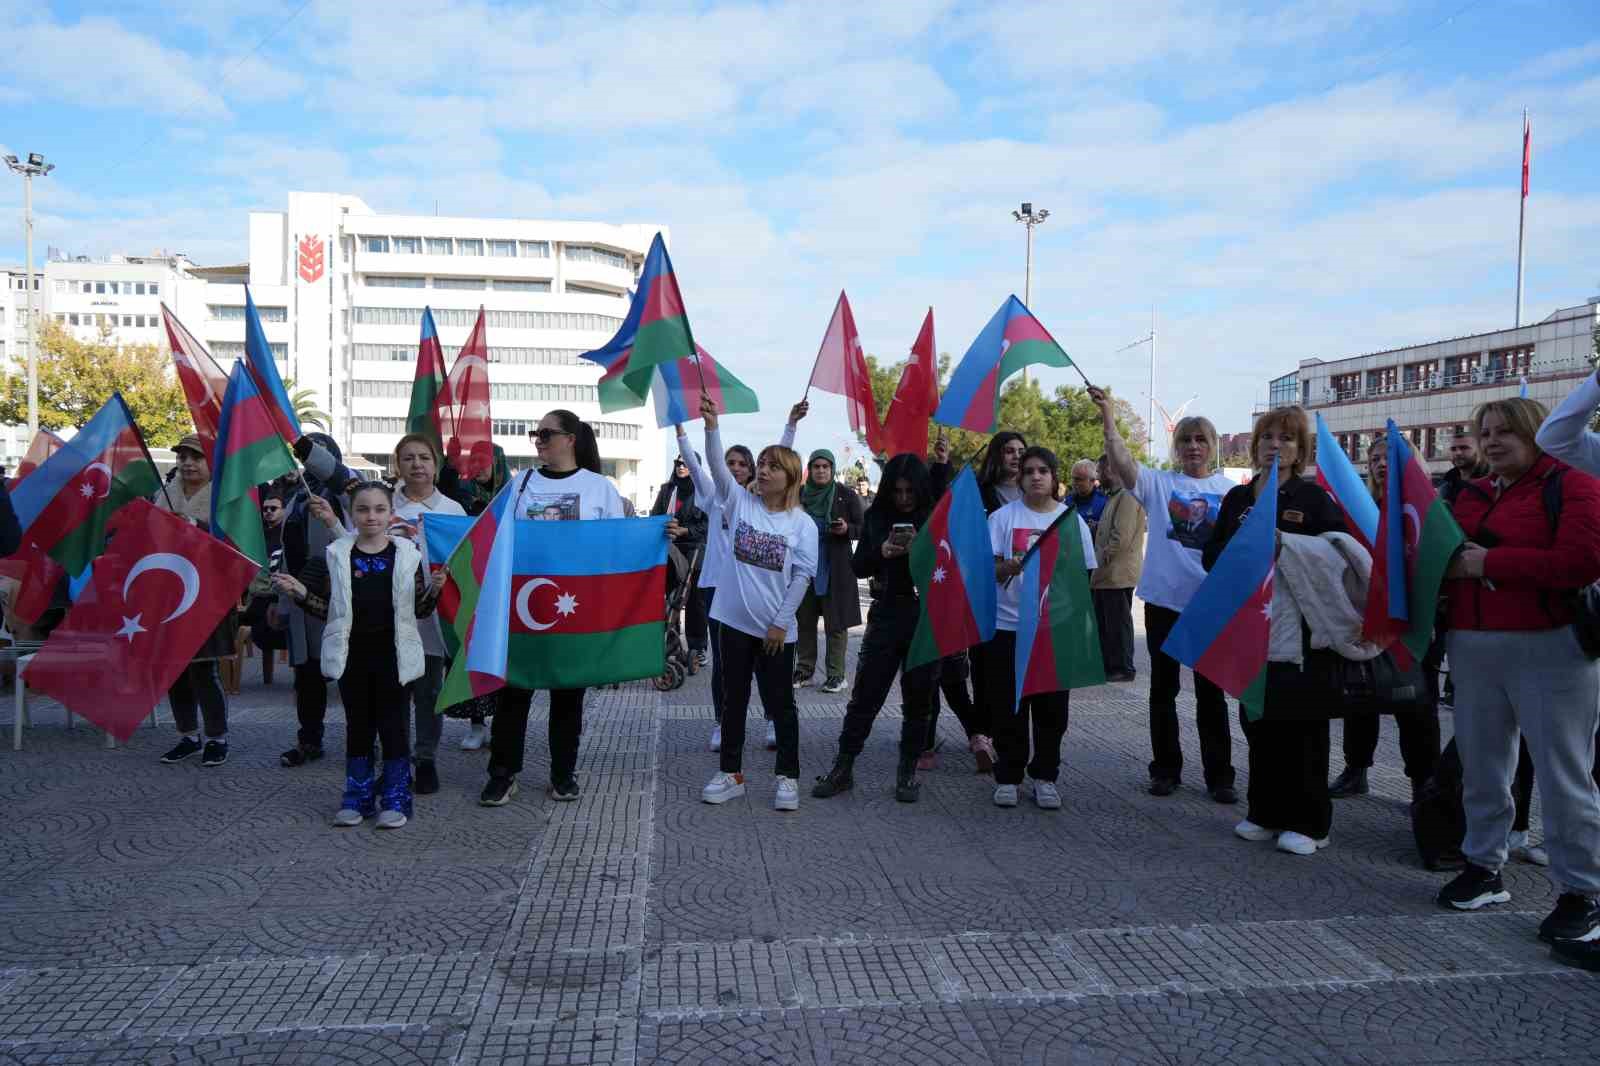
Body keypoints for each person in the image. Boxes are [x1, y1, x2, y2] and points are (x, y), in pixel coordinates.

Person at [1436, 396, 1600, 959]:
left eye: (1507, 430)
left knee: (1562, 775)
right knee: (1482, 766)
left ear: (1535, 432)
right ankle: (1484, 867)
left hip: (1551, 648)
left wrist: (1491, 565)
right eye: (1486, 432)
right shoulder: (1469, 492)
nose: (1494, 440)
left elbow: (1581, 562)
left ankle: (1583, 891)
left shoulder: (1573, 484)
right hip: (1473, 646)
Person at [1204, 407, 1347, 855]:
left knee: (1302, 727)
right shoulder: (1237, 500)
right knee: (1258, 723)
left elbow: (1339, 556)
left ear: (1300, 449)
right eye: (1267, 437)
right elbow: (1212, 557)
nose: (1275, 446)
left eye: (1286, 439)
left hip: (1299, 633)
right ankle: (1264, 811)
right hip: (1251, 629)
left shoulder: (1315, 500)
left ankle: (1310, 821)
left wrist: (1287, 545)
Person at [480, 410, 636, 807]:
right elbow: (492, 533)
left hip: (574, 610)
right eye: (536, 432)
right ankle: (503, 773)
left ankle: (563, 774)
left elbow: (616, 546)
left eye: (547, 433)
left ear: (571, 439)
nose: (539, 439)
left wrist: (659, 533)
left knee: (569, 697)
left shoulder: (600, 488)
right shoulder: (521, 484)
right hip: (525, 605)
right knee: (514, 693)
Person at [1092, 386, 1239, 802]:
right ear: (1176, 447)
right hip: (1163, 603)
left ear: (1212, 447)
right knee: (1164, 691)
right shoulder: (1159, 484)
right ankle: (1166, 770)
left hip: (1209, 608)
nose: (1193, 446)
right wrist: (1108, 416)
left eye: (1201, 440)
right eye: (1186, 440)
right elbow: (1121, 459)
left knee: (1211, 695)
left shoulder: (1230, 491)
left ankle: (1220, 776)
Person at [275, 481, 446, 828]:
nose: (372, 516)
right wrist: (301, 592)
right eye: (363, 509)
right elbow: (330, 610)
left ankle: (397, 799)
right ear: (352, 514)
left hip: (395, 657)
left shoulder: (406, 554)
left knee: (395, 728)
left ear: (390, 514)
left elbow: (420, 609)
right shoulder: (337, 553)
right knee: (358, 728)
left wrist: (436, 590)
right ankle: (358, 796)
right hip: (352, 655)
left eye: (379, 509)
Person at [698, 394, 817, 811]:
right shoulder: (739, 502)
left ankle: (788, 777)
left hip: (775, 632)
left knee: (781, 704)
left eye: (772, 466)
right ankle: (730, 772)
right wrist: (712, 426)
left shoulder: (803, 525)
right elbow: (715, 466)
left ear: (791, 477)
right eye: (761, 464)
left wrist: (780, 624)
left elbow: (801, 578)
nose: (762, 470)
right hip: (732, 623)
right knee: (733, 700)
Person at [812, 454, 939, 803]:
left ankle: (907, 772)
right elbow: (858, 566)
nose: (902, 498)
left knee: (919, 701)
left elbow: (948, 566)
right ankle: (843, 768)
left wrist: (921, 550)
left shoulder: (932, 518)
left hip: (923, 616)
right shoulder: (877, 516)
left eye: (909, 491)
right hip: (886, 611)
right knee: (865, 698)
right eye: (896, 491)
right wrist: (882, 551)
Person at [1328, 436, 1442, 800]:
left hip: (1417, 620)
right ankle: (1356, 769)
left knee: (1417, 704)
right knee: (1361, 695)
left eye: (1389, 457)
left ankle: (1423, 783)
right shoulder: (1367, 506)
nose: (1380, 464)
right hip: (1371, 614)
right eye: (1374, 459)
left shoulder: (1429, 506)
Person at [675, 411, 796, 753]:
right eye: (731, 462)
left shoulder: (759, 501)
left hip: (757, 587)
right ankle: (721, 722)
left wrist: (790, 427)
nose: (737, 467)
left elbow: (779, 459)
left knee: (763, 660)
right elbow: (699, 465)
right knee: (725, 663)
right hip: (718, 588)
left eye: (743, 463)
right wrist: (682, 428)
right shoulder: (715, 494)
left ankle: (772, 718)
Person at [985, 447, 1097, 809]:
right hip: (1009, 627)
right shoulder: (1002, 519)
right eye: (1029, 470)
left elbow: (1084, 574)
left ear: (1054, 478)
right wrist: (1007, 569)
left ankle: (1045, 776)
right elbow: (988, 570)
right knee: (1009, 707)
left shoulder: (1070, 522)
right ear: (1020, 478)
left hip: (1054, 630)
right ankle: (1008, 775)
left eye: (1043, 470)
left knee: (1052, 710)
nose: (1036, 476)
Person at [387, 433, 467, 796]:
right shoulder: (380, 506)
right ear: (398, 465)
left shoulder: (452, 511)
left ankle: (426, 758)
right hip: (387, 615)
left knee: (428, 690)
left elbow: (466, 564)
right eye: (408, 458)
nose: (416, 464)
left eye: (424, 457)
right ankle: (395, 756)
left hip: (432, 619)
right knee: (393, 691)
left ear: (436, 465)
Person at [277, 433, 357, 768]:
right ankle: (309, 740)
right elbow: (287, 553)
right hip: (302, 600)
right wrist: (280, 604)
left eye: (319, 453)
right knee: (307, 678)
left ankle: (365, 744)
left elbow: (335, 474)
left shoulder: (350, 487)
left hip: (342, 597)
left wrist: (303, 445)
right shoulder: (297, 497)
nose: (310, 460)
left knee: (353, 677)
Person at [157, 436, 236, 768]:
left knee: (204, 670)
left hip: (209, 596)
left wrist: (196, 526)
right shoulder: (164, 496)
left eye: (196, 457)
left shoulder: (225, 499)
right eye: (183, 457)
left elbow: (234, 545)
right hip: (167, 594)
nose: (188, 463)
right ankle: (188, 735)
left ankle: (217, 737)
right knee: (174, 671)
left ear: (211, 463)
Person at [792, 443, 863, 695]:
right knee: (805, 620)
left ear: (832, 470)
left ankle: (836, 675)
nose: (821, 471)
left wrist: (847, 530)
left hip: (836, 566)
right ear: (809, 470)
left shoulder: (846, 494)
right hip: (805, 567)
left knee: (836, 624)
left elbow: (864, 528)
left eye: (825, 466)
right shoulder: (799, 495)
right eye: (816, 466)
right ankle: (804, 670)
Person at [456, 444, 512, 750]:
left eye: (484, 460)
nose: (479, 466)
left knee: (502, 654)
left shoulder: (513, 494)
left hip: (504, 583)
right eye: (473, 460)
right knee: (473, 651)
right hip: (472, 581)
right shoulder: (461, 493)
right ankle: (477, 724)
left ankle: (503, 723)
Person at [651, 454, 710, 669]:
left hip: (694, 549)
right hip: (669, 548)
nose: (681, 467)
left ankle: (698, 645)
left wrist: (684, 530)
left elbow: (707, 525)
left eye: (686, 463)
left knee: (694, 599)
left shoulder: (703, 493)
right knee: (671, 597)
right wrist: (663, 527)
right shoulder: (667, 489)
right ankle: (672, 642)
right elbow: (655, 515)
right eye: (678, 463)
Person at [1091, 454, 1146, 683]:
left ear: (1112, 471)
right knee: (1108, 622)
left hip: (1116, 572)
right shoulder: (1116, 496)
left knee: (1117, 624)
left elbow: (1120, 538)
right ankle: (1110, 664)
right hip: (1109, 572)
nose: (1098, 476)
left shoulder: (1127, 496)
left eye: (1100, 471)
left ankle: (1122, 667)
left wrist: (1101, 560)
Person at [244, 492, 287, 685]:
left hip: (280, 595)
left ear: (284, 510)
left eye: (273, 508)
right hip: (257, 597)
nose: (268, 512)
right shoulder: (257, 535)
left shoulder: (288, 534)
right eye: (265, 509)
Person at [1069, 459, 1108, 531]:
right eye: (1073, 478)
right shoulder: (1067, 501)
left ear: (1092, 480)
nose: (1074, 483)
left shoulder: (1104, 502)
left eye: (1078, 479)